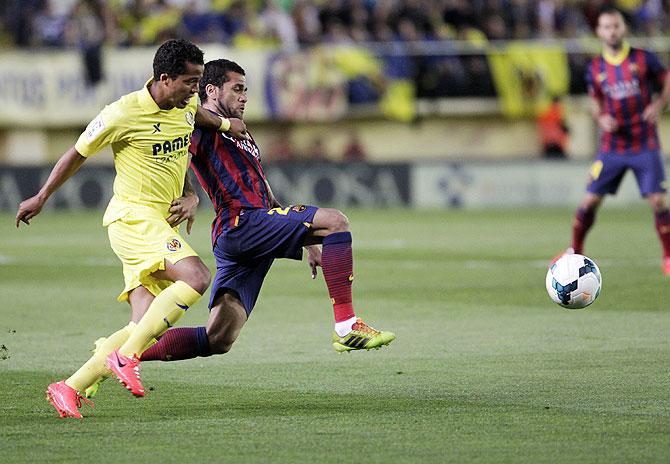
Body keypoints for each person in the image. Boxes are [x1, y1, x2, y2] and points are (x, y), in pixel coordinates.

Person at [15, 39, 248, 419]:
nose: (196, 90)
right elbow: (77, 153)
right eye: (190, 82)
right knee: (196, 275)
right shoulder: (123, 112)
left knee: (144, 324)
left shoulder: (185, 105)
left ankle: (68, 387)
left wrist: (223, 128)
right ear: (164, 78)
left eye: (198, 81)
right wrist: (41, 196)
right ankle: (126, 357)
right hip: (132, 218)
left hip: (156, 221)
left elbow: (194, 126)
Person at [133, 58, 395, 365]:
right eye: (237, 89)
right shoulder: (197, 124)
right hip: (240, 223)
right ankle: (347, 326)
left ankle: (120, 355)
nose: (244, 96)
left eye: (246, 90)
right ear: (212, 91)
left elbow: (264, 191)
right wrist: (190, 196)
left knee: (218, 337)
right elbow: (171, 158)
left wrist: (309, 242)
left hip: (249, 228)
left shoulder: (240, 131)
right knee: (335, 221)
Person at [558, 7, 670, 274]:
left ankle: (668, 255)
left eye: (616, 26)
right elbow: (594, 101)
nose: (611, 31)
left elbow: (667, 79)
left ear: (624, 28)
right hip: (612, 147)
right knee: (589, 202)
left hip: (645, 144)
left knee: (657, 201)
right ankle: (575, 252)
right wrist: (600, 118)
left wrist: (660, 104)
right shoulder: (596, 68)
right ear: (599, 31)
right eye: (606, 27)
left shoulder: (644, 59)